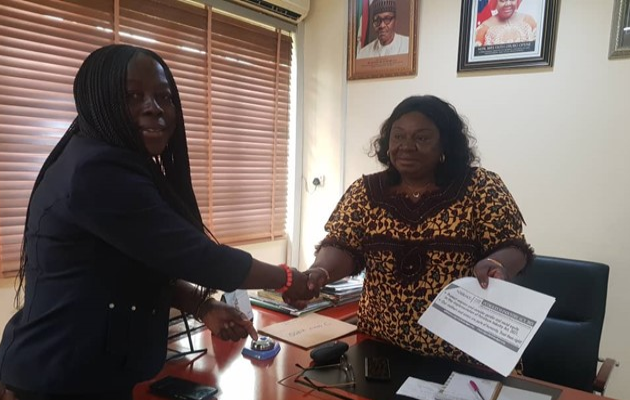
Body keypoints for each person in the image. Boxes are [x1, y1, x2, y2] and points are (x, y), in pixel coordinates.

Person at [0, 44, 314, 400]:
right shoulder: (97, 171)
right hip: (58, 380)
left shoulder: (105, 159)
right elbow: (198, 257)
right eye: (134, 96)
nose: (154, 108)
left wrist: (201, 306)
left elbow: (135, 264)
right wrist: (288, 279)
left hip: (79, 372)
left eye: (164, 97)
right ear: (99, 101)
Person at [285, 95, 533, 369]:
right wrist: (320, 272)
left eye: (422, 138)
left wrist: (497, 263)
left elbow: (514, 248)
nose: (406, 147)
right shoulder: (366, 192)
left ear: (444, 144)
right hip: (380, 349)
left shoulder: (480, 187)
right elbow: (342, 245)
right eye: (398, 136)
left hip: (465, 355)